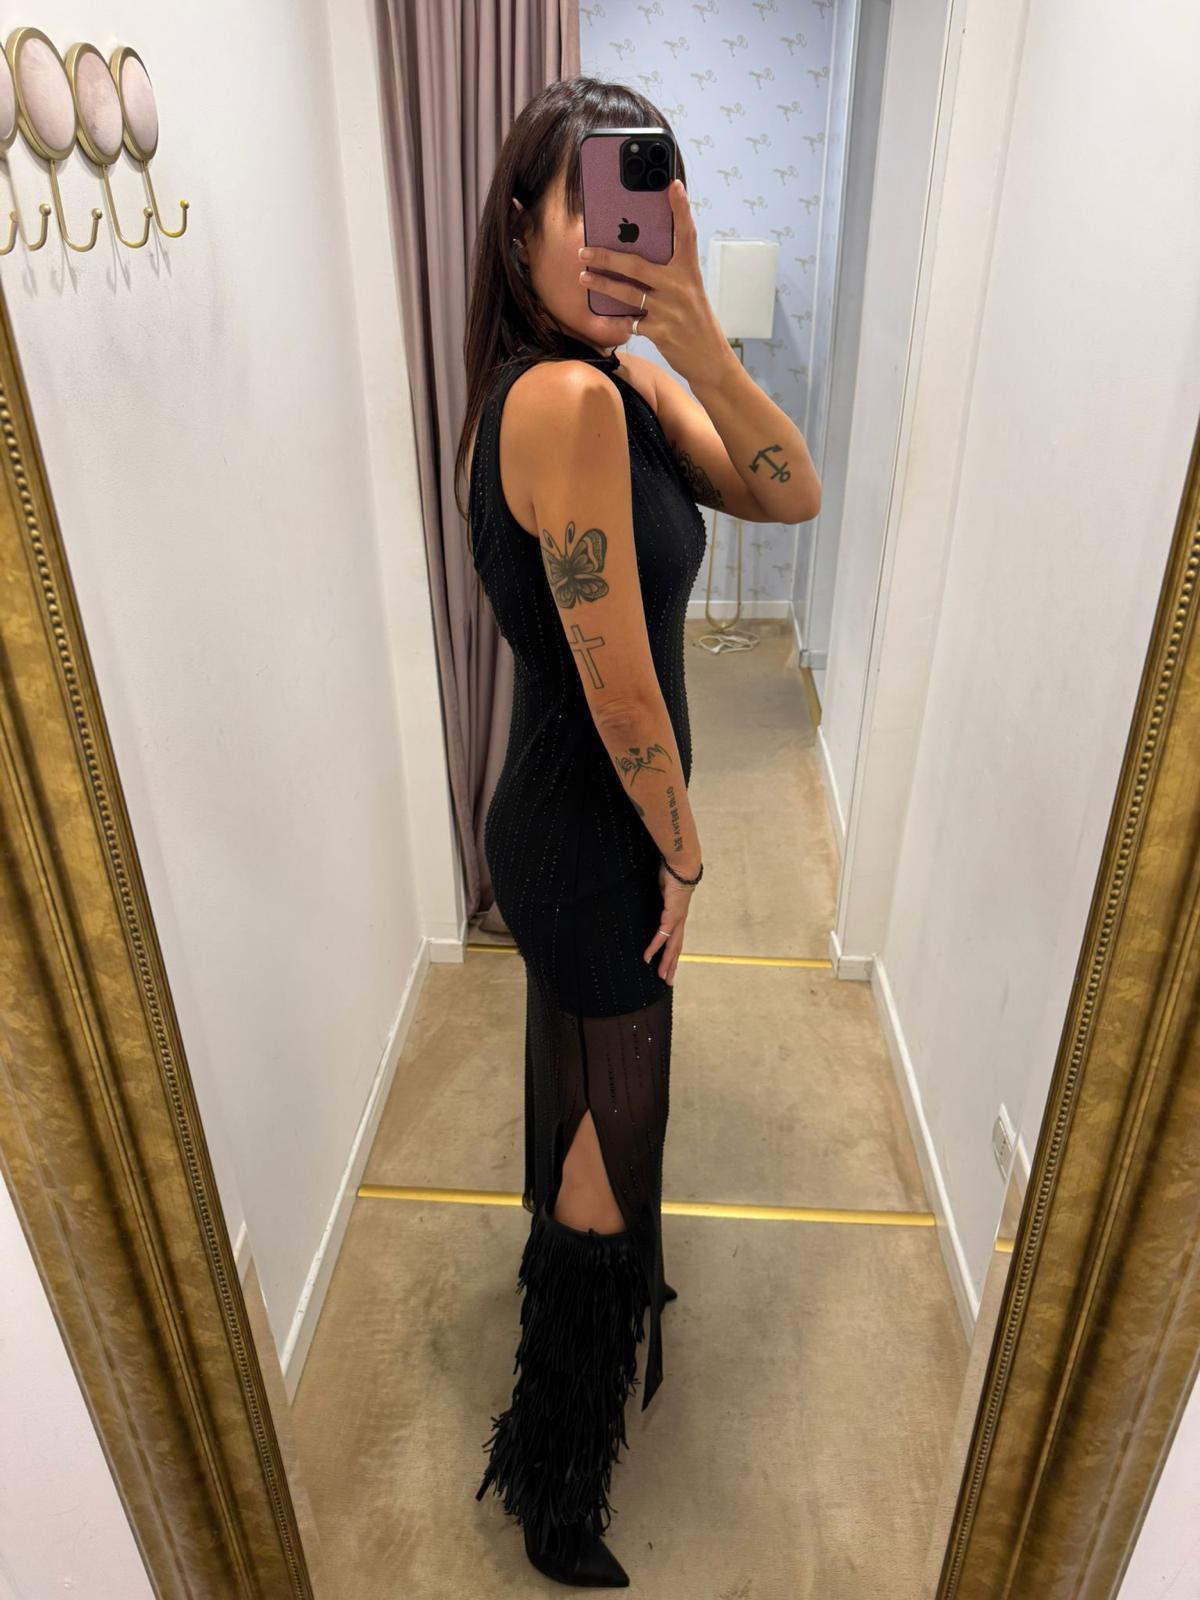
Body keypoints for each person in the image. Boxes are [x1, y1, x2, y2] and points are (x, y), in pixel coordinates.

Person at [457, 76, 820, 1588]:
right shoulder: (565, 403)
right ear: (521, 230)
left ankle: (591, 1265)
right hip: (590, 835)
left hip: (574, 821)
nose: (621, 243)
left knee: (588, 1089)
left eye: (646, 210)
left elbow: (789, 495)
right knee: (618, 1136)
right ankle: (555, 1486)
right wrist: (683, 851)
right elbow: (619, 688)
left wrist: (704, 345)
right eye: (591, 211)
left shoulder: (625, 380)